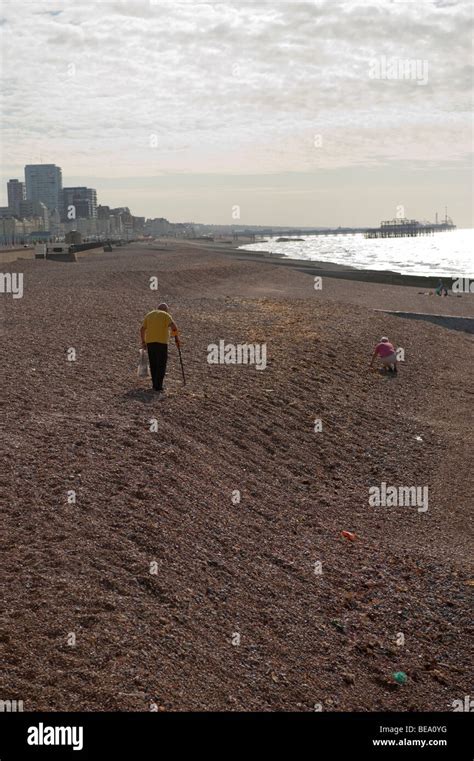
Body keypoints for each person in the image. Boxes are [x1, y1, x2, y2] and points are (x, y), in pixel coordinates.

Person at [140, 303, 178, 392]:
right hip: (162, 343)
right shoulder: (165, 315)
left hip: (150, 343)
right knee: (161, 364)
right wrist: (176, 339)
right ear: (166, 310)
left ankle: (154, 385)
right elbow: (174, 327)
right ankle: (159, 386)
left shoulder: (149, 315)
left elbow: (142, 329)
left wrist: (143, 341)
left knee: (153, 364)